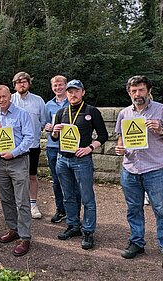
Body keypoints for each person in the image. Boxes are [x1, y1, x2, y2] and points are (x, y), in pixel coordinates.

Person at [115, 75, 163, 271]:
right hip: (130, 169)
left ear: (148, 91)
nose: (137, 94)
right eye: (133, 91)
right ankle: (137, 242)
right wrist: (121, 148)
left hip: (154, 169)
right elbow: (120, 137)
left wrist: (161, 132)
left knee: (161, 211)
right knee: (133, 209)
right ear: (129, 93)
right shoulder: (124, 114)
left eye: (141, 90)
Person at [51, 79, 108, 250]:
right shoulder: (61, 112)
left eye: (76, 91)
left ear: (83, 92)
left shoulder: (91, 111)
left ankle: (88, 231)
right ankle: (73, 225)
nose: (73, 94)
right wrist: (54, 131)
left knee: (87, 197)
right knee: (67, 195)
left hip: (82, 161)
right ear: (66, 93)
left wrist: (90, 148)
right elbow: (54, 138)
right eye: (70, 91)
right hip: (63, 159)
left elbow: (103, 136)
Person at [0, 85, 34, 256]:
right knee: (6, 199)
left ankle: (25, 237)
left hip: (18, 161)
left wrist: (14, 153)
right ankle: (13, 229)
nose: (1, 100)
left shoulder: (22, 114)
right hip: (0, 163)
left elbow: (29, 138)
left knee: (22, 200)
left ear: (10, 96)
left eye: (4, 96)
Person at [44, 75, 81, 223]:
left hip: (72, 147)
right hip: (53, 147)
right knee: (56, 181)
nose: (58, 88)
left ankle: (75, 212)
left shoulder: (73, 102)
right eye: (55, 86)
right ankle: (60, 209)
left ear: (66, 86)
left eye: (60, 85)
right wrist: (48, 127)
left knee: (74, 182)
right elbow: (45, 123)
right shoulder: (48, 105)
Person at [11, 72, 47, 219]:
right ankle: (17, 205)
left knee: (32, 175)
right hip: (14, 147)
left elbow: (43, 122)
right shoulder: (10, 99)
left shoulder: (38, 101)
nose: (22, 84)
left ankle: (32, 205)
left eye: (24, 81)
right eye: (18, 82)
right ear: (14, 85)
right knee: (14, 177)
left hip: (32, 145)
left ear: (29, 84)